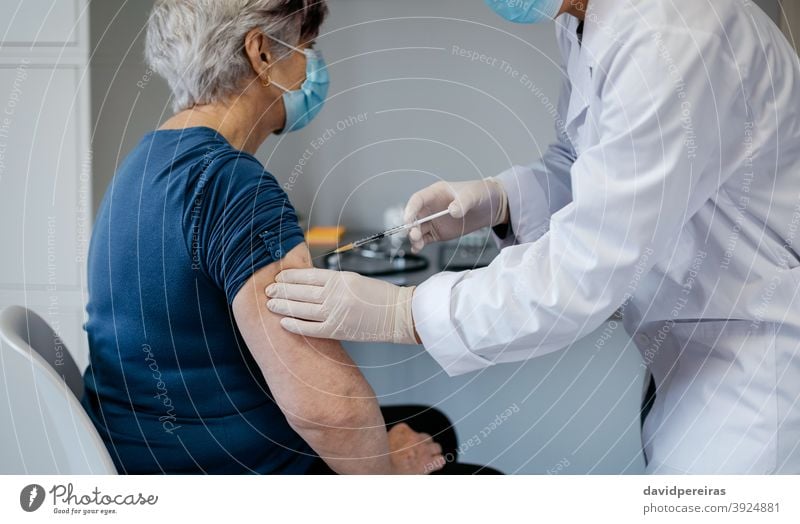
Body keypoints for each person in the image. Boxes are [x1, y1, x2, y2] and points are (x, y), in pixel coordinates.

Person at [267, 0, 800, 474]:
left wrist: (404, 314)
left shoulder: (674, 34)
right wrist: (499, 199)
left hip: (755, 363)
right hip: (691, 346)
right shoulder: (588, 24)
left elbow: (586, 268)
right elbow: (583, 166)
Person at [82, 0, 498, 475]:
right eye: (306, 45)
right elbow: (326, 409)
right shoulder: (230, 184)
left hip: (145, 453)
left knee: (432, 425)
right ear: (260, 54)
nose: (313, 65)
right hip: (235, 470)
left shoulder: (142, 163)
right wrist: (386, 476)